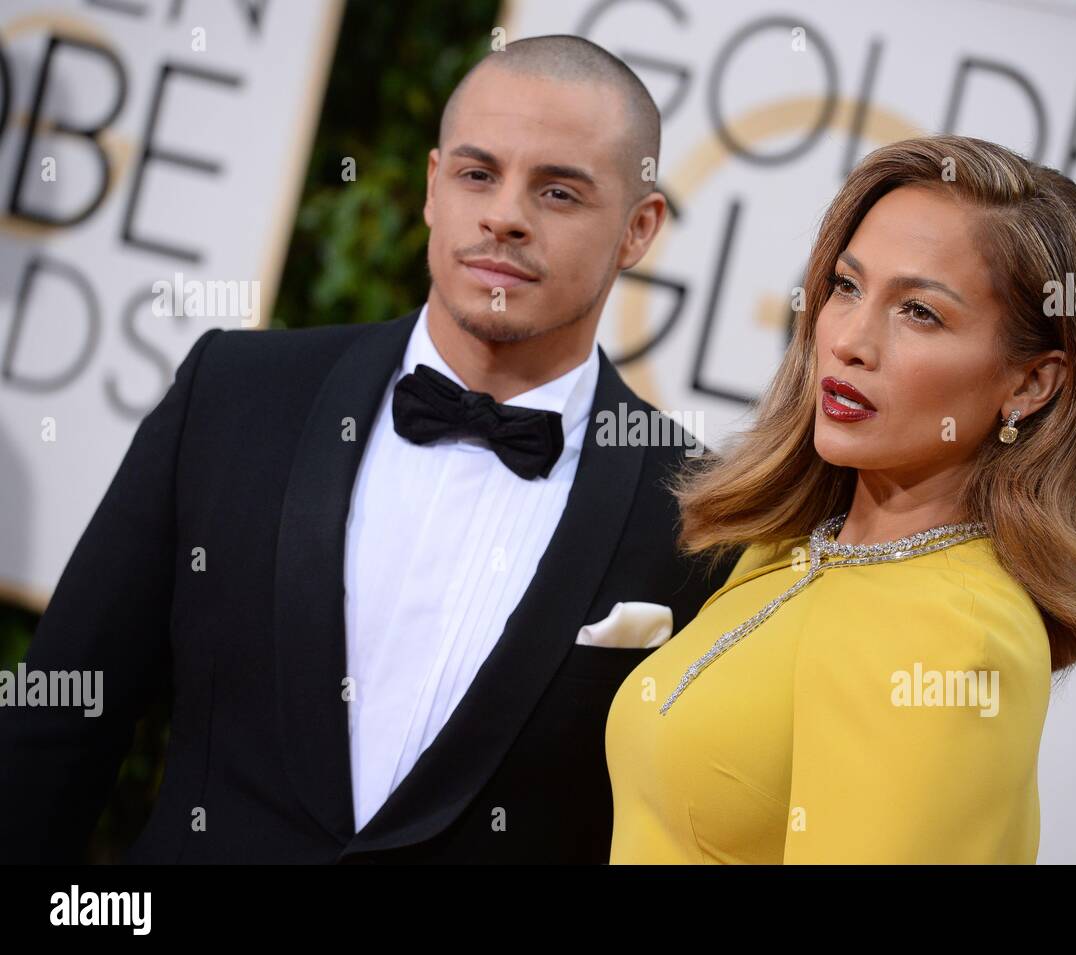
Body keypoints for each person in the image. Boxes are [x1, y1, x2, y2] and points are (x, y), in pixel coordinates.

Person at [0, 35, 736, 863]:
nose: (505, 214)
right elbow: (59, 723)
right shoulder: (235, 396)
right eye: (476, 174)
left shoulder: (701, 518)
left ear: (639, 230)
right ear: (431, 187)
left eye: (559, 192)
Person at [605, 135, 1076, 863]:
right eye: (847, 287)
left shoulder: (956, 633)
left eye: (920, 312)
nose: (851, 338)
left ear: (1031, 383)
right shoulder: (791, 545)